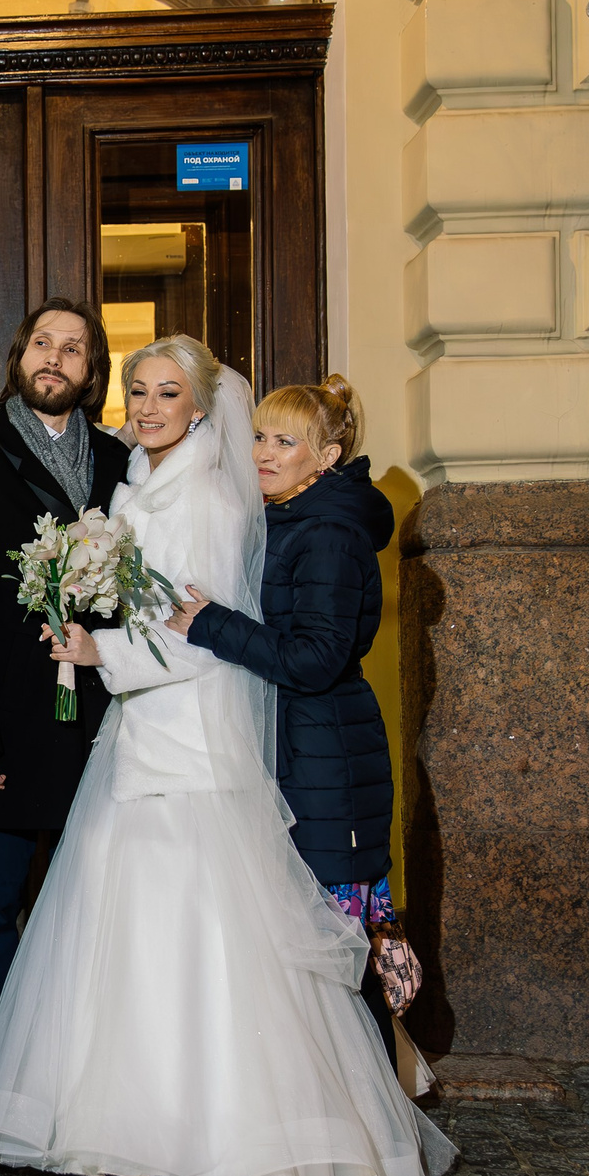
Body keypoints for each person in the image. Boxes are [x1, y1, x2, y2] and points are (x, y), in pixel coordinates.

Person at [0, 338, 454, 1176]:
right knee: (130, 927)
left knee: (208, 927)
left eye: (168, 393)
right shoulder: (133, 486)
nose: (148, 407)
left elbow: (203, 635)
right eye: (138, 391)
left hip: (192, 736)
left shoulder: (212, 499)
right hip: (139, 731)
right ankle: (134, 1122)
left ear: (200, 407)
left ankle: (243, 1132)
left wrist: (101, 652)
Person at [167, 376, 426, 1074]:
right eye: (259, 436)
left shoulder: (329, 533)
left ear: (327, 456)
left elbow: (315, 659)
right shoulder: (284, 517)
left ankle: (377, 1108)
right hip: (297, 749)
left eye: (286, 441)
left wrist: (211, 624)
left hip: (326, 757)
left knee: (339, 947)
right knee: (308, 945)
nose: (263, 453)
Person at [0, 299, 127, 1056]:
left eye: (73, 348)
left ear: (91, 371)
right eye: (43, 342)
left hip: (100, 720)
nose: (54, 358)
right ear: (18, 357)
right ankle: (3, 1068)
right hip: (0, 722)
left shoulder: (121, 463)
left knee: (95, 907)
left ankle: (84, 1061)